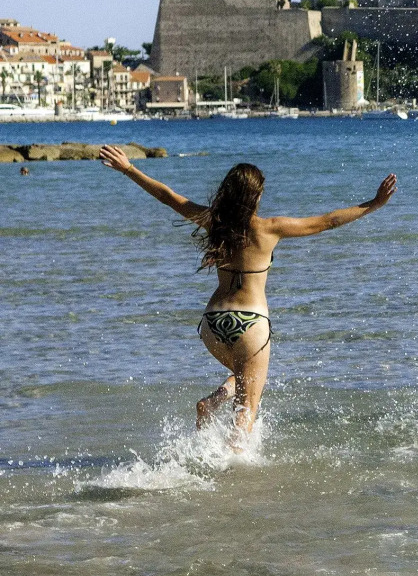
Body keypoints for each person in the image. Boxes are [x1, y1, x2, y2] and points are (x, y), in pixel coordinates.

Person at [98, 144, 396, 445]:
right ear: (257, 196)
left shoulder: (214, 221)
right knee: (246, 414)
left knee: (245, 375)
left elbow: (169, 197)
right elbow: (328, 221)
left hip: (212, 323)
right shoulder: (270, 228)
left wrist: (129, 169)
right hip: (251, 323)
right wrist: (374, 203)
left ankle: (213, 402)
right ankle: (232, 475)